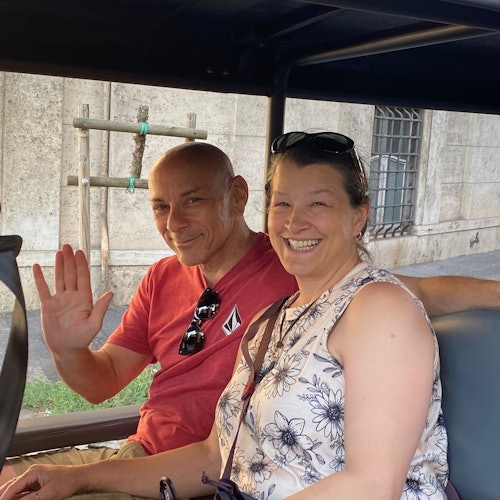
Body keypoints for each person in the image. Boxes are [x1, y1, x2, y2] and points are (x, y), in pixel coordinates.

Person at [0, 138, 497, 498]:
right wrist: (77, 474)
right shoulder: (273, 322)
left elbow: (372, 485)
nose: (295, 221)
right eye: (282, 204)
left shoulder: (375, 305)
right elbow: (215, 455)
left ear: (359, 216)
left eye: (318, 203)